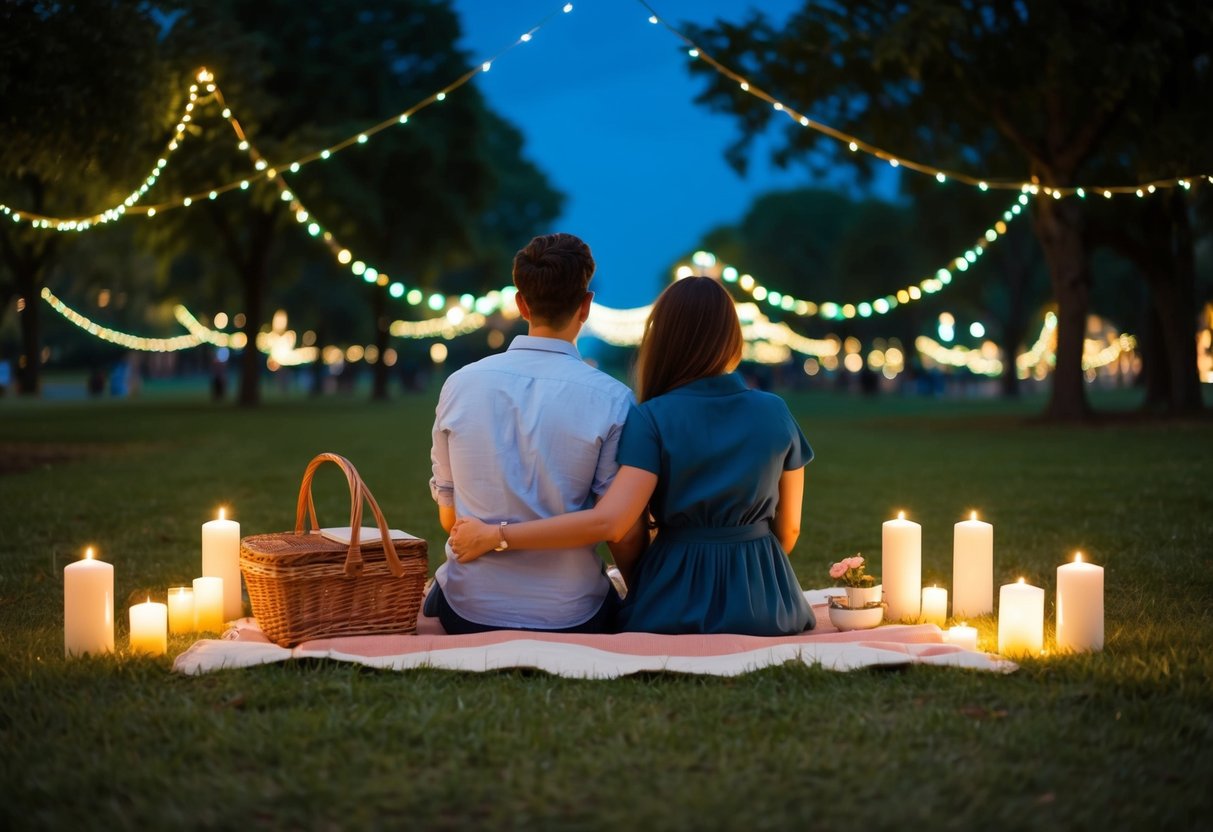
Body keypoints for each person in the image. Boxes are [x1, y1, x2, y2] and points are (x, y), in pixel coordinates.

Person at [450, 276, 815, 636]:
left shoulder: (651, 416)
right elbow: (790, 529)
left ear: (662, 338)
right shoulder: (775, 411)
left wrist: (496, 536)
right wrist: (753, 571)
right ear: (733, 336)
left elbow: (613, 522)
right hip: (765, 601)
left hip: (675, 598)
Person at [427, 232, 647, 634]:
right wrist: (643, 592)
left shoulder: (459, 384)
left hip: (466, 611)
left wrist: (496, 535)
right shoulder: (614, 399)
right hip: (571, 613)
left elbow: (450, 518)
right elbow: (620, 531)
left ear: (520, 303)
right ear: (586, 306)